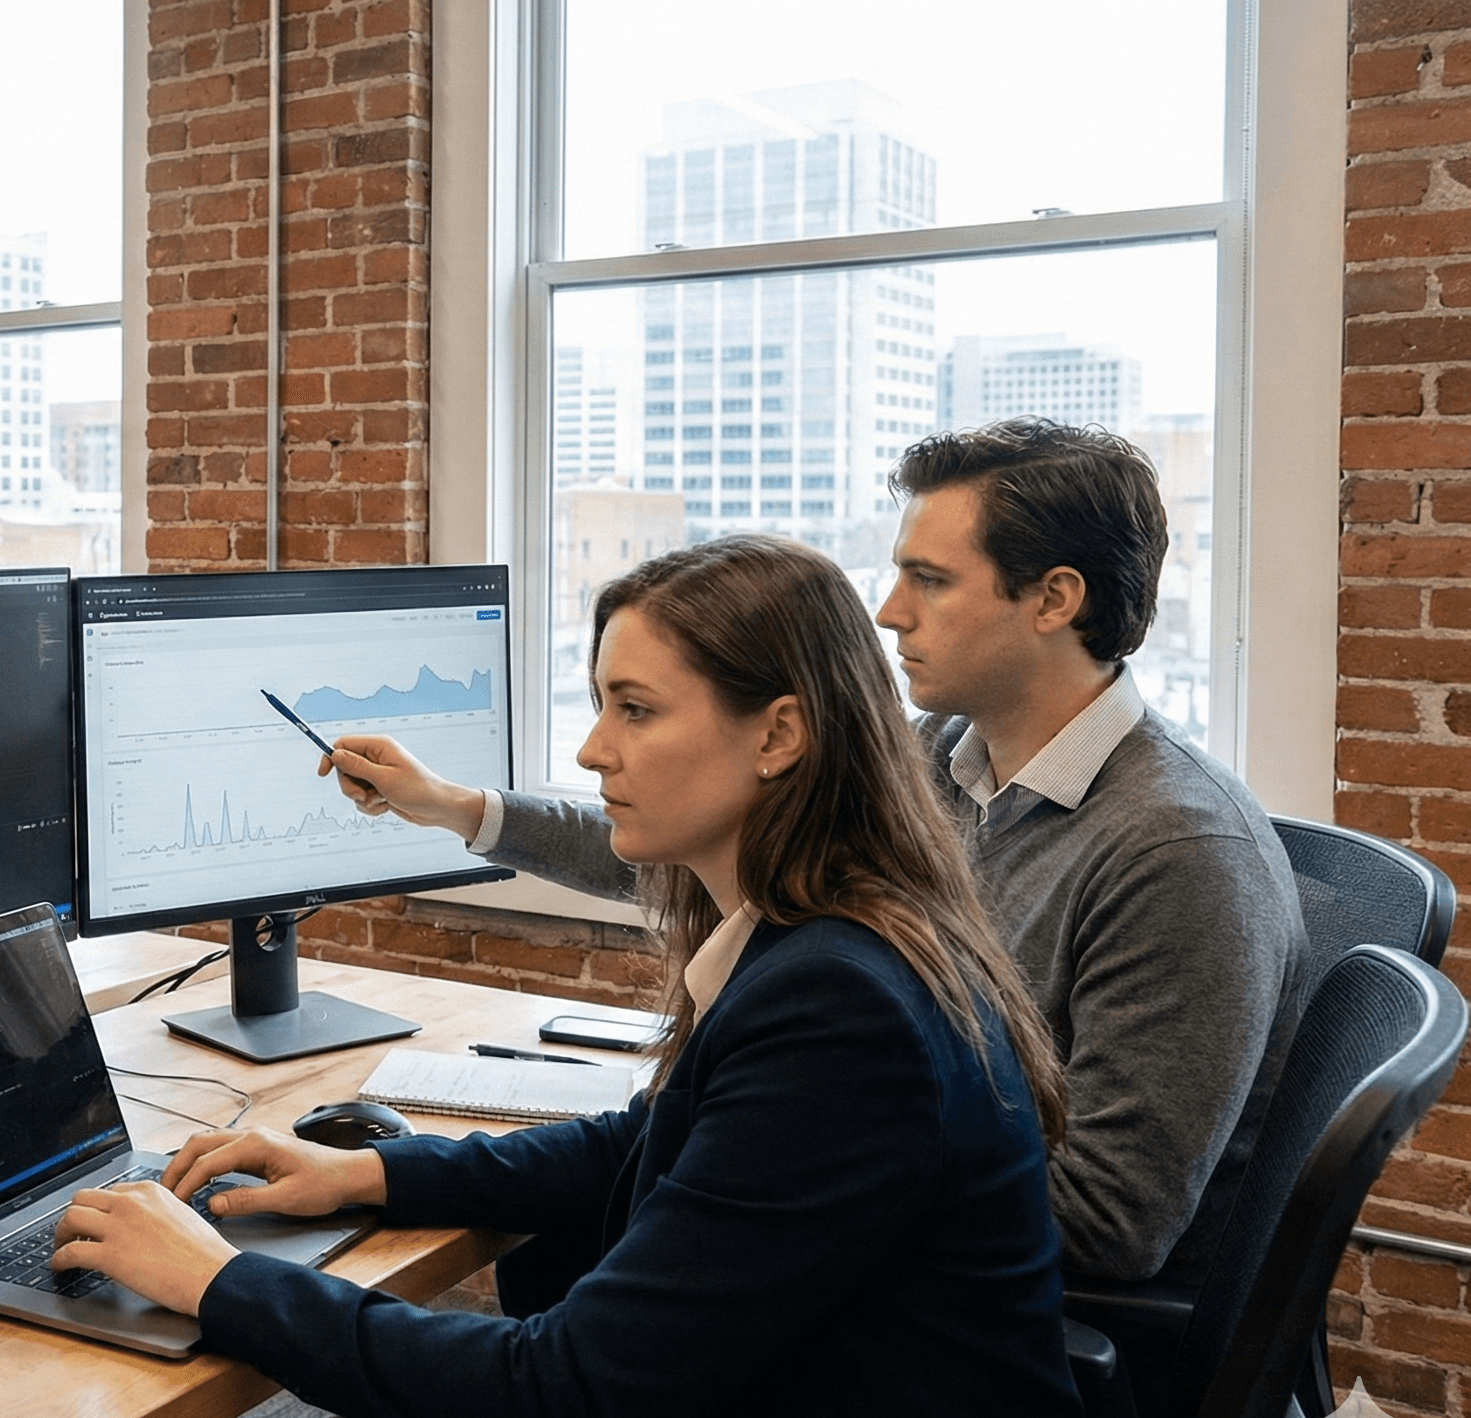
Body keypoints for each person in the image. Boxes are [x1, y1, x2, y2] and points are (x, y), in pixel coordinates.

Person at [51, 534, 1115, 1418]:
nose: (591, 749)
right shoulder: (841, 932)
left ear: (779, 734)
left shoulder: (842, 1011)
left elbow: (561, 1398)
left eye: (635, 710)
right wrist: (368, 1177)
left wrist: (216, 1281)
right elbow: (645, 1143)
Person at [319, 418, 1306, 1295]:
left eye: (928, 579)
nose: (888, 612)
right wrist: (456, 807)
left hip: (965, 1335)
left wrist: (780, 1155)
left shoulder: (1175, 851)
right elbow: (719, 847)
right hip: (874, 1247)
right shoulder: (940, 761)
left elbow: (1111, 1220)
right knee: (578, 1248)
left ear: (1051, 598)